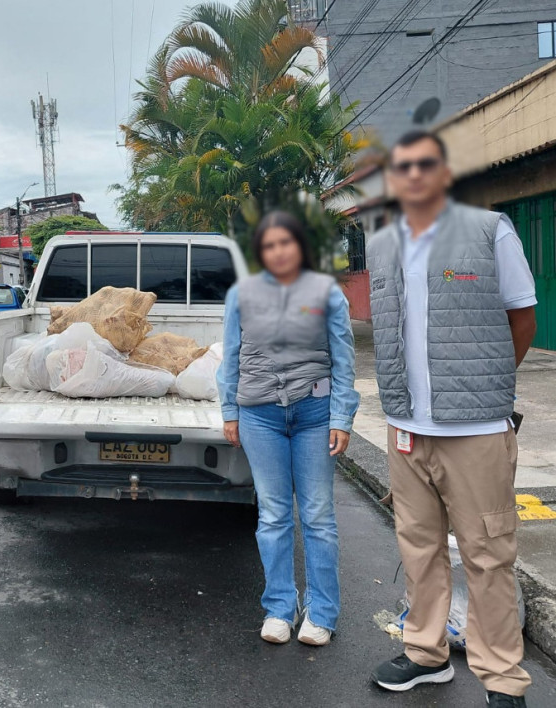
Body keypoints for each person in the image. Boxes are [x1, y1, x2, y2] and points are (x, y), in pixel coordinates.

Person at [366, 131, 537, 708]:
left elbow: (522, 319)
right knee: (418, 546)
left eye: (426, 165)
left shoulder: (489, 231)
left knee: (488, 555)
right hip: (405, 427)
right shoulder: (380, 244)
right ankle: (425, 653)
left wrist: (484, 389)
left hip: (476, 430)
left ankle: (503, 678)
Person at [218, 211, 360, 647]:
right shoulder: (241, 295)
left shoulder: (326, 293)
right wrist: (229, 411)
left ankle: (322, 611)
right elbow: (231, 356)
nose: (278, 251)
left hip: (315, 413)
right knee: (274, 514)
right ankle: (280, 607)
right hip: (259, 416)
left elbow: (344, 359)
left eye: (287, 242)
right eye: (269, 245)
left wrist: (342, 417)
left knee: (317, 515)